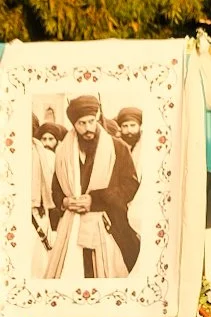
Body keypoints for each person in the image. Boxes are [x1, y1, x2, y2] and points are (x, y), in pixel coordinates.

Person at [45, 94, 140, 281]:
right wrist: (64, 201)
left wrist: (94, 200)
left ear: (97, 117)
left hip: (110, 227)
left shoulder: (118, 147)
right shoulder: (63, 151)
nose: (88, 128)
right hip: (72, 228)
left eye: (91, 121)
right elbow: (56, 189)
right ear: (74, 124)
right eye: (82, 123)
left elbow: (130, 186)